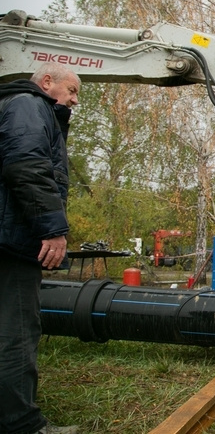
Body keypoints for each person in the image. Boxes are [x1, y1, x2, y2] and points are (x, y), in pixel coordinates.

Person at [0, 62, 80, 434]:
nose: (75, 100)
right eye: (73, 91)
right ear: (46, 82)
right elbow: (28, 166)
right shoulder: (29, 106)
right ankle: (22, 425)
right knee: (15, 333)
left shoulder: (13, 105)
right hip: (12, 244)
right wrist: (53, 229)